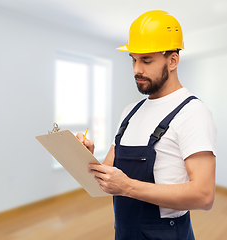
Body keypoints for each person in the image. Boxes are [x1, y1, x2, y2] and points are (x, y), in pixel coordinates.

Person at [77, 10, 216, 240]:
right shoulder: (130, 113)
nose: (136, 70)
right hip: (124, 233)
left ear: (173, 60)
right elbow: (106, 181)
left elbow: (204, 196)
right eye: (133, 59)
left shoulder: (193, 113)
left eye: (146, 60)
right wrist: (83, 157)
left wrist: (127, 187)